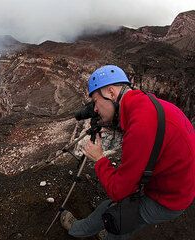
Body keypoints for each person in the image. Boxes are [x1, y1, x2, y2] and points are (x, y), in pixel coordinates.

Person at [60, 65, 195, 239]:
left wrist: (99, 159)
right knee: (112, 212)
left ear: (110, 92)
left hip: (169, 199)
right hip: (177, 184)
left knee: (116, 219)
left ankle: (81, 231)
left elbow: (118, 191)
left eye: (95, 102)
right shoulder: (145, 103)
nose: (94, 110)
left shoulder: (141, 126)